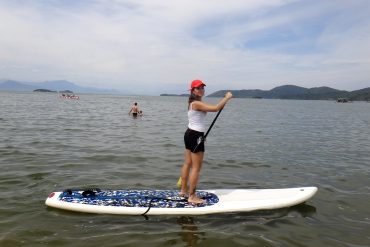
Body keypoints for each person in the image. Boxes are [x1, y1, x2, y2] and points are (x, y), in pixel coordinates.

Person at [180, 79, 233, 204]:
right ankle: (192, 196)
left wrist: (223, 102)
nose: (201, 89)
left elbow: (213, 109)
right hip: (195, 136)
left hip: (190, 134)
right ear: (193, 90)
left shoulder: (195, 102)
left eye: (202, 87)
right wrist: (227, 98)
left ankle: (183, 191)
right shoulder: (196, 103)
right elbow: (215, 108)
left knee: (187, 163)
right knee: (196, 168)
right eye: (198, 88)